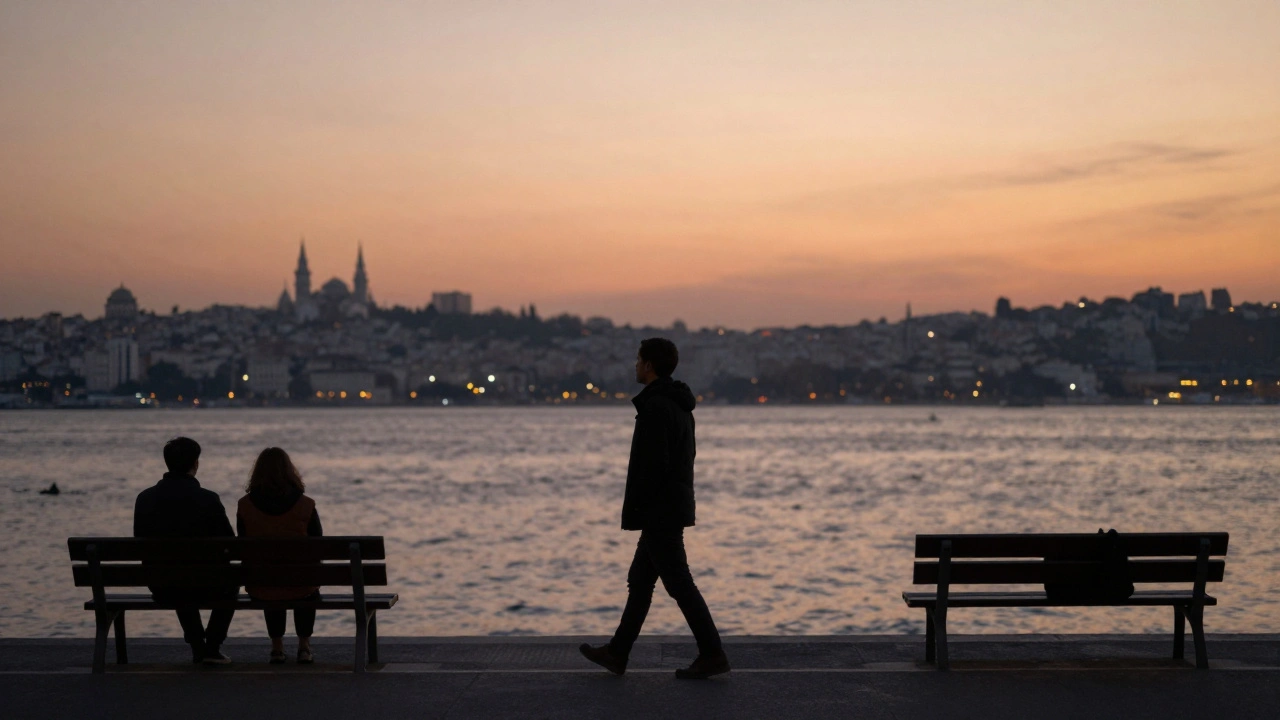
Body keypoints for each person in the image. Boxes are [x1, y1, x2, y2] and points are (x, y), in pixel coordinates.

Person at [580, 337, 730, 679]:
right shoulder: (677, 404)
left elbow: (654, 466)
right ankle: (617, 653)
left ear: (649, 365)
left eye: (638, 360)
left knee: (678, 582)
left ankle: (713, 653)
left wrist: (643, 510)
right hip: (669, 506)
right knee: (641, 580)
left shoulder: (657, 407)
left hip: (660, 511)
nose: (634, 365)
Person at [133, 436, 236, 665]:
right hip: (206, 585)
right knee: (229, 581)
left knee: (177, 575)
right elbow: (230, 545)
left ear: (167, 463)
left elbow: (140, 542)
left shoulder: (145, 499)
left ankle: (199, 646)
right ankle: (212, 646)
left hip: (162, 585)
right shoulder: (208, 499)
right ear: (195, 463)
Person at [236, 447, 323, 664]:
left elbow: (243, 545)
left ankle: (277, 648)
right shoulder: (306, 505)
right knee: (305, 583)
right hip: (301, 585)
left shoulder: (245, 506)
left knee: (270, 581)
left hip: (262, 585)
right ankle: (304, 647)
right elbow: (318, 545)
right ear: (290, 472)